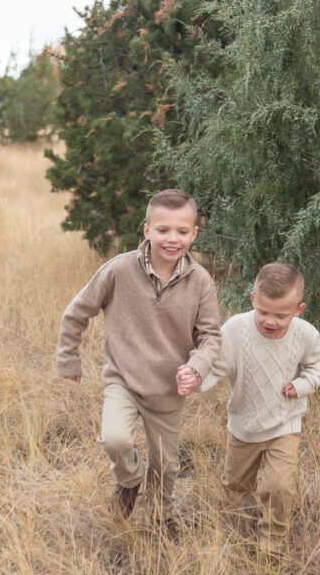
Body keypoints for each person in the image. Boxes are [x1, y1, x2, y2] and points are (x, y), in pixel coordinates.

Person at [56, 189, 221, 527]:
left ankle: (162, 519)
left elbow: (210, 337)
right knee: (115, 438)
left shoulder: (200, 281)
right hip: (123, 378)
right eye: (163, 230)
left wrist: (196, 369)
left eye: (182, 231)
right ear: (146, 231)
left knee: (166, 466)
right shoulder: (118, 271)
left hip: (168, 386)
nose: (172, 239)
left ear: (194, 233)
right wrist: (68, 359)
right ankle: (129, 483)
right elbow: (76, 313)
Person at [177, 262, 320, 554]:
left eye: (281, 315)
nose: (270, 321)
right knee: (235, 486)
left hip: (285, 423)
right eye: (263, 312)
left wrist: (303, 385)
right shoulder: (236, 329)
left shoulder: (304, 334)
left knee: (278, 487)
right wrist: (194, 377)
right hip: (244, 426)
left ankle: (271, 542)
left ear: (298, 310)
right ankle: (238, 532)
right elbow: (216, 362)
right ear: (253, 300)